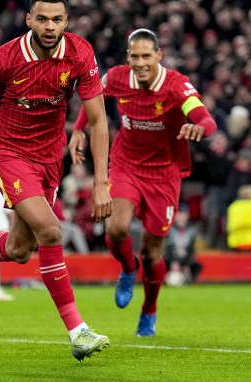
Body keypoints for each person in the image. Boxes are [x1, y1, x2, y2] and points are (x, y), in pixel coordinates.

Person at [0, 0, 112, 362]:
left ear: (66, 22)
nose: (49, 27)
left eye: (57, 20)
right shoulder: (3, 59)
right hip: (10, 153)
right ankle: (78, 331)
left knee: (21, 250)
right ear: (29, 20)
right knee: (50, 231)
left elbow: (98, 120)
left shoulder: (80, 53)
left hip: (50, 157)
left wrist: (101, 181)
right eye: (42, 19)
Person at [69, 28, 217, 336]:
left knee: (152, 255)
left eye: (146, 56)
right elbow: (93, 99)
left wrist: (199, 127)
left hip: (164, 175)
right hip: (126, 165)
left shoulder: (175, 85)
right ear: (127, 57)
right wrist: (80, 129)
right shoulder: (118, 77)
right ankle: (126, 268)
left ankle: (149, 308)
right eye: (134, 56)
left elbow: (206, 118)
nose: (140, 62)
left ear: (158, 56)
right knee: (117, 227)